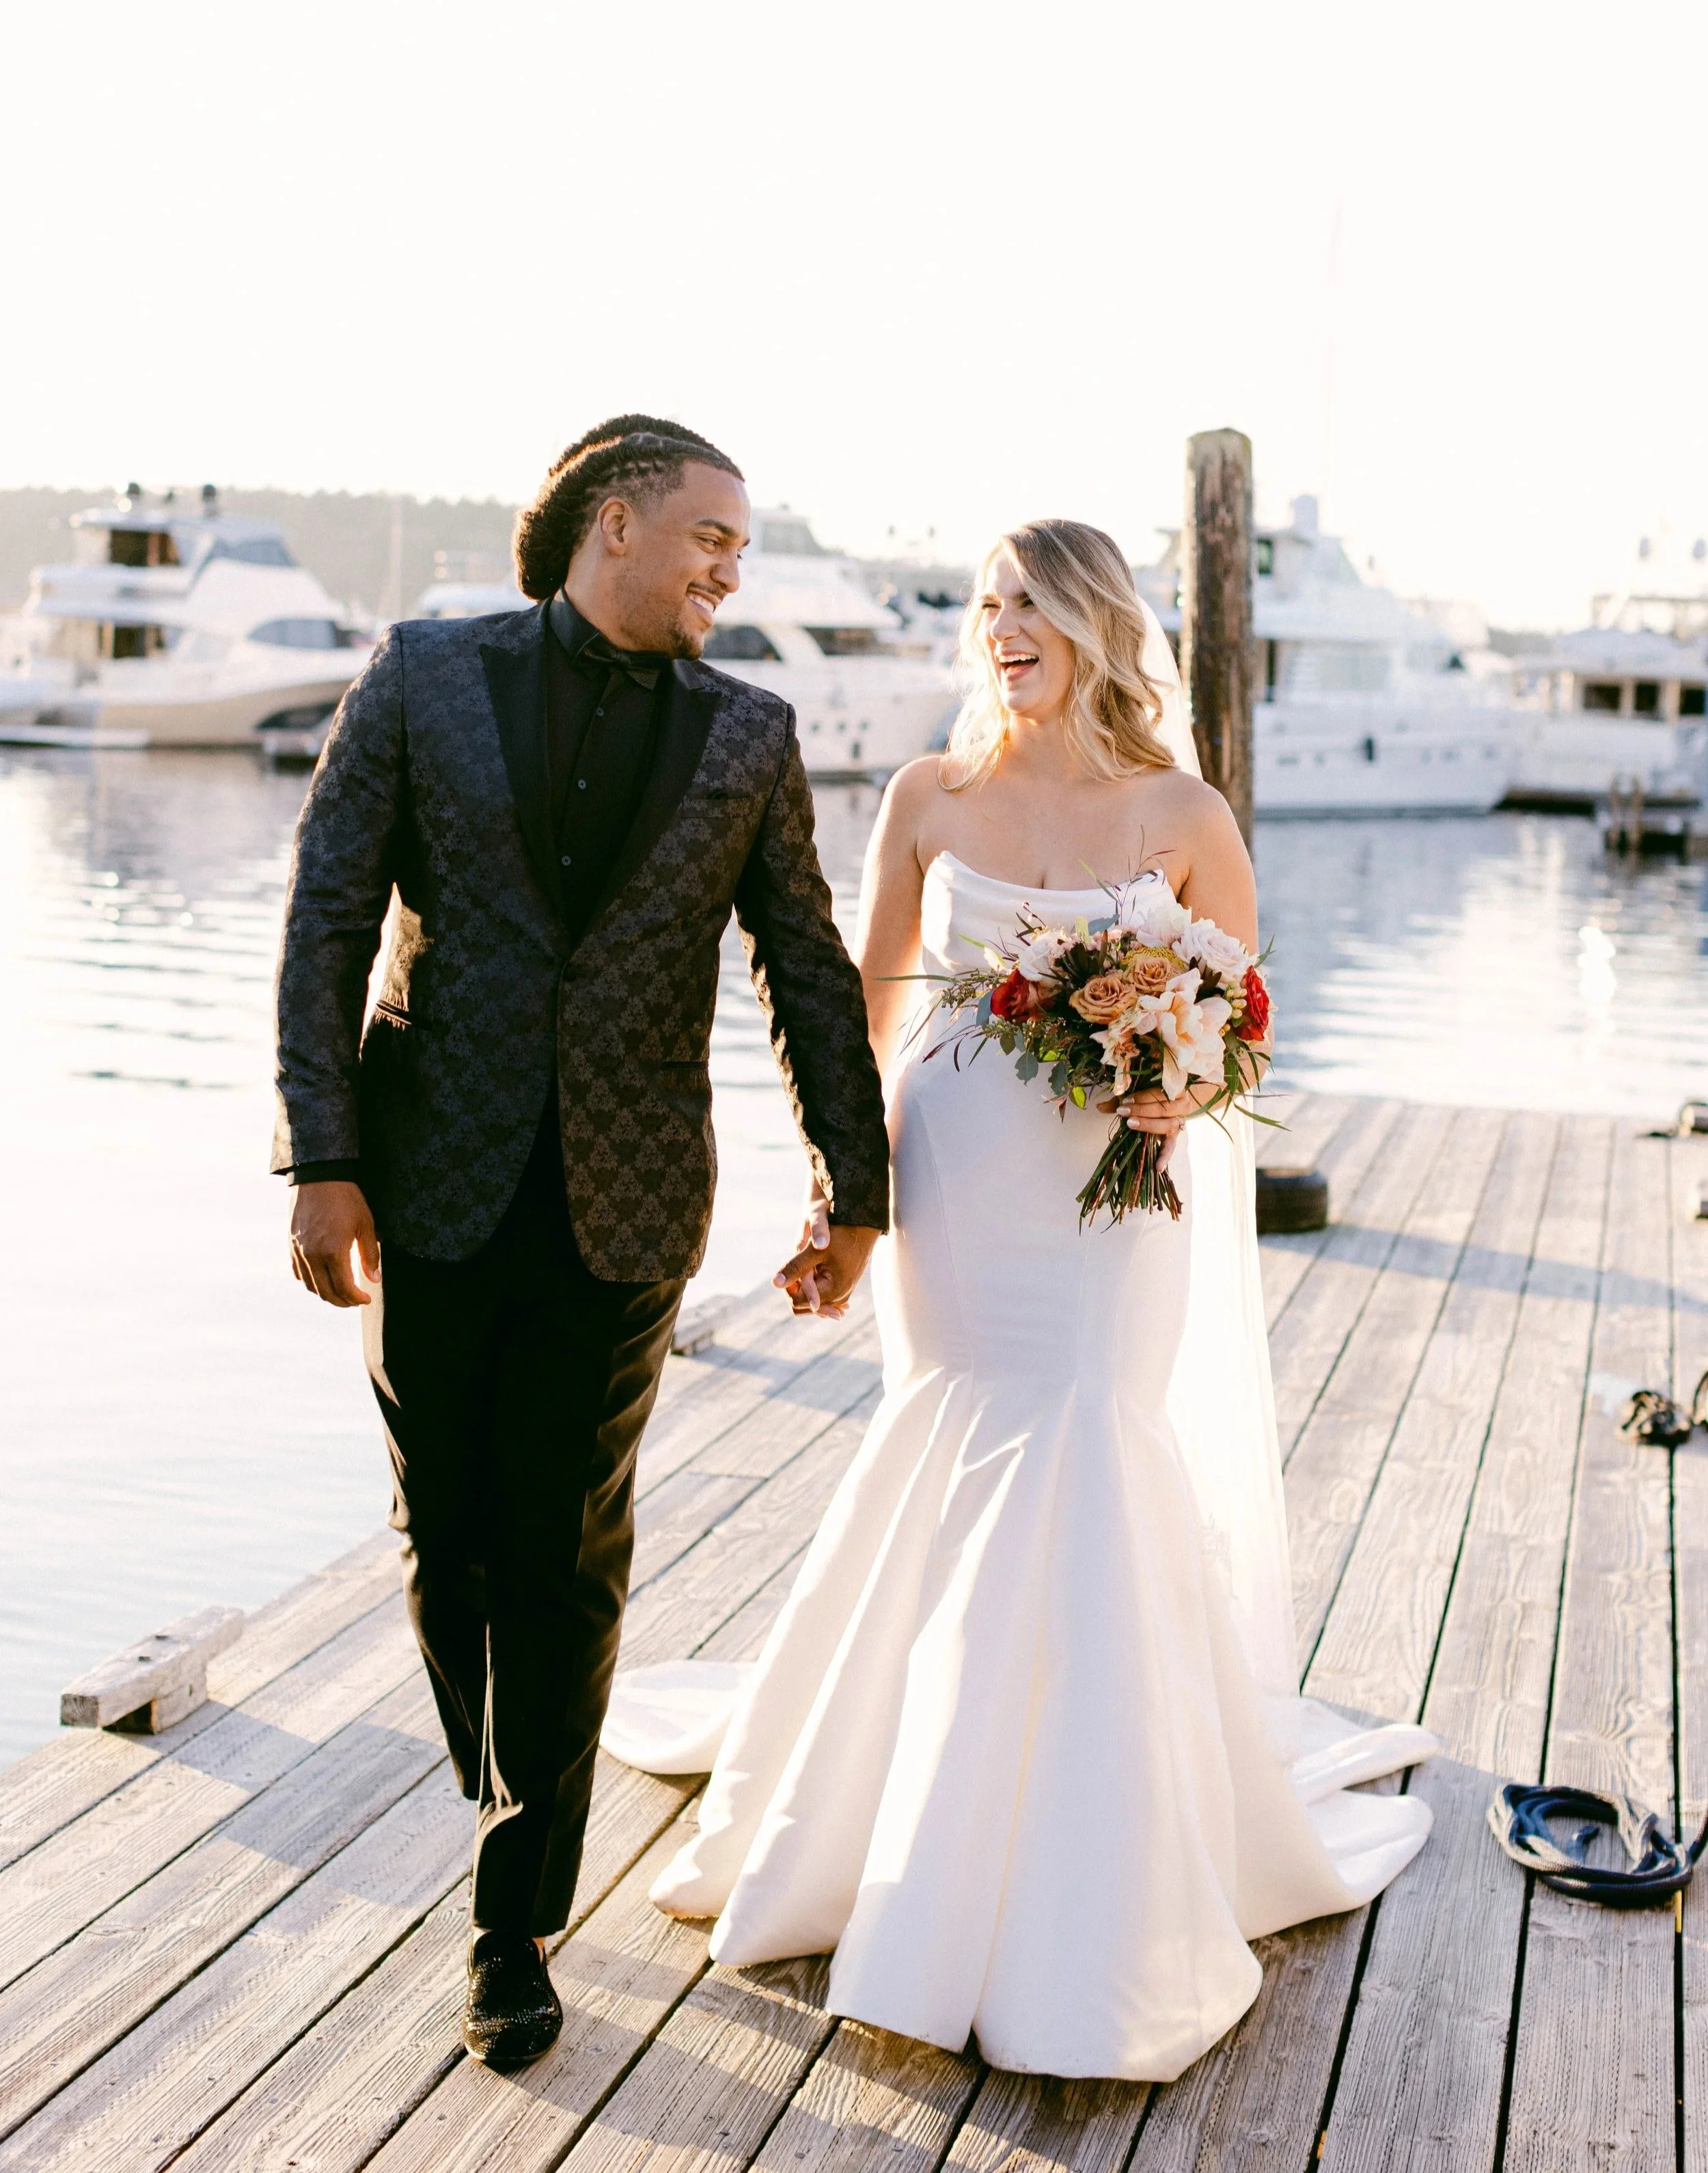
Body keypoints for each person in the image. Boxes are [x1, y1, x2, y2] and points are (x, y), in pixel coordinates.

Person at [604, 519, 1437, 2082]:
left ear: (1096, 628)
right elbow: (855, 996)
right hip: (956, 1165)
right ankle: (896, 1808)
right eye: (985, 606)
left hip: (1113, 1184)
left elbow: (1241, 1005)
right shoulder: (929, 797)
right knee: (956, 1436)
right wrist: (835, 1191)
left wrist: (1175, 1085)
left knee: (1083, 1438)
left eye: (1029, 607)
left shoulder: (1181, 808)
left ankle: (1084, 1858)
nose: (999, 630)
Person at [271, 418, 890, 2071]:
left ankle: (511, 1912)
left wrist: (858, 1182)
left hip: (626, 1205)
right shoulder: (419, 675)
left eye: (742, 552)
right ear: (613, 527)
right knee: (440, 1532)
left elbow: (805, 965)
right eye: (710, 539)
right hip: (430, 1182)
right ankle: (506, 1807)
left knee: (567, 1544)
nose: (726, 572)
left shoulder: (747, 733)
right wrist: (320, 1160)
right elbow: (328, 915)